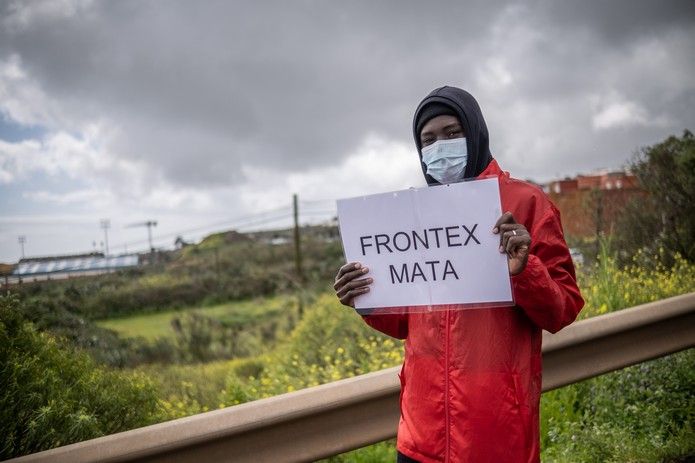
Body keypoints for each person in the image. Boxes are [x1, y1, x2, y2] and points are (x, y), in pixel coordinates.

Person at [333, 86, 584, 463]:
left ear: (476, 132)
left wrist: (524, 270)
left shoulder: (526, 202)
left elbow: (562, 310)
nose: (440, 146)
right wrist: (367, 298)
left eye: (453, 133)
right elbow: (408, 322)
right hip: (419, 436)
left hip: (497, 435)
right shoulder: (414, 212)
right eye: (428, 139)